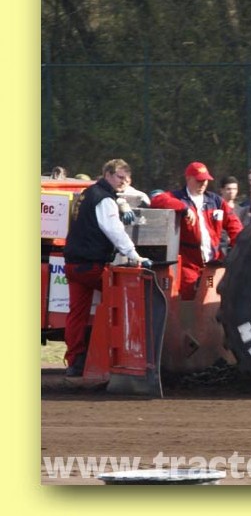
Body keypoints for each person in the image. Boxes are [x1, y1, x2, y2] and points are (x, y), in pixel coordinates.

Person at [62, 159, 152, 376]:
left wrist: (120, 201)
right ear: (108, 175)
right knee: (123, 299)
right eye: (120, 177)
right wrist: (135, 255)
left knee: (77, 314)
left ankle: (75, 362)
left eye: (127, 178)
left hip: (73, 264)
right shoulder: (104, 200)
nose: (124, 182)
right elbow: (114, 231)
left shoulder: (88, 194)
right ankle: (116, 358)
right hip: (92, 265)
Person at [151, 162, 243, 299]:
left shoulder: (215, 201)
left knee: (210, 293)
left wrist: (240, 248)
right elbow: (157, 200)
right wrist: (183, 208)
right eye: (199, 180)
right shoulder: (177, 197)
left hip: (212, 264)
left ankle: (207, 313)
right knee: (189, 295)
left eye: (205, 180)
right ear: (188, 179)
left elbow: (234, 225)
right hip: (189, 265)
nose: (203, 184)